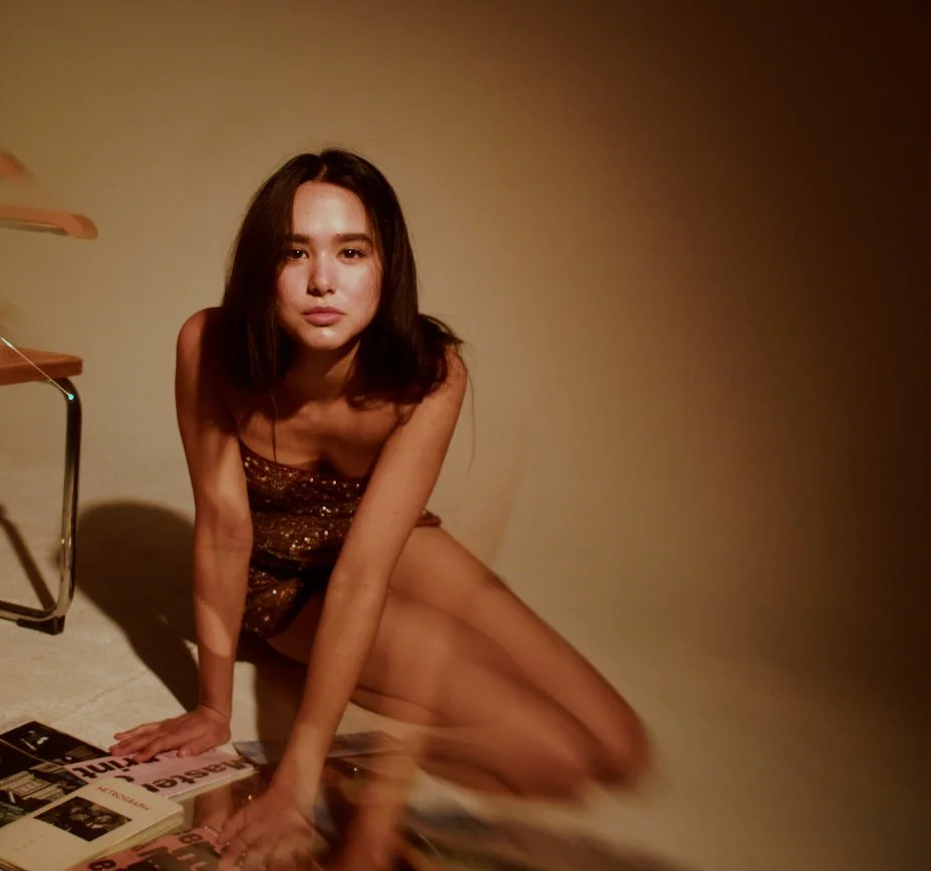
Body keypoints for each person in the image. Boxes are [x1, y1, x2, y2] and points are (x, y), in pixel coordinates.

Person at [111, 150, 649, 869]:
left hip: (387, 550)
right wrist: (218, 711)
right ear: (260, 266)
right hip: (288, 586)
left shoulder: (431, 372)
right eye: (295, 251)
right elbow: (221, 533)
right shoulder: (209, 344)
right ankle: (344, 773)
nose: (322, 280)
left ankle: (349, 762)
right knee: (553, 757)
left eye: (351, 251)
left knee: (620, 746)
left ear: (387, 264)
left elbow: (369, 568)